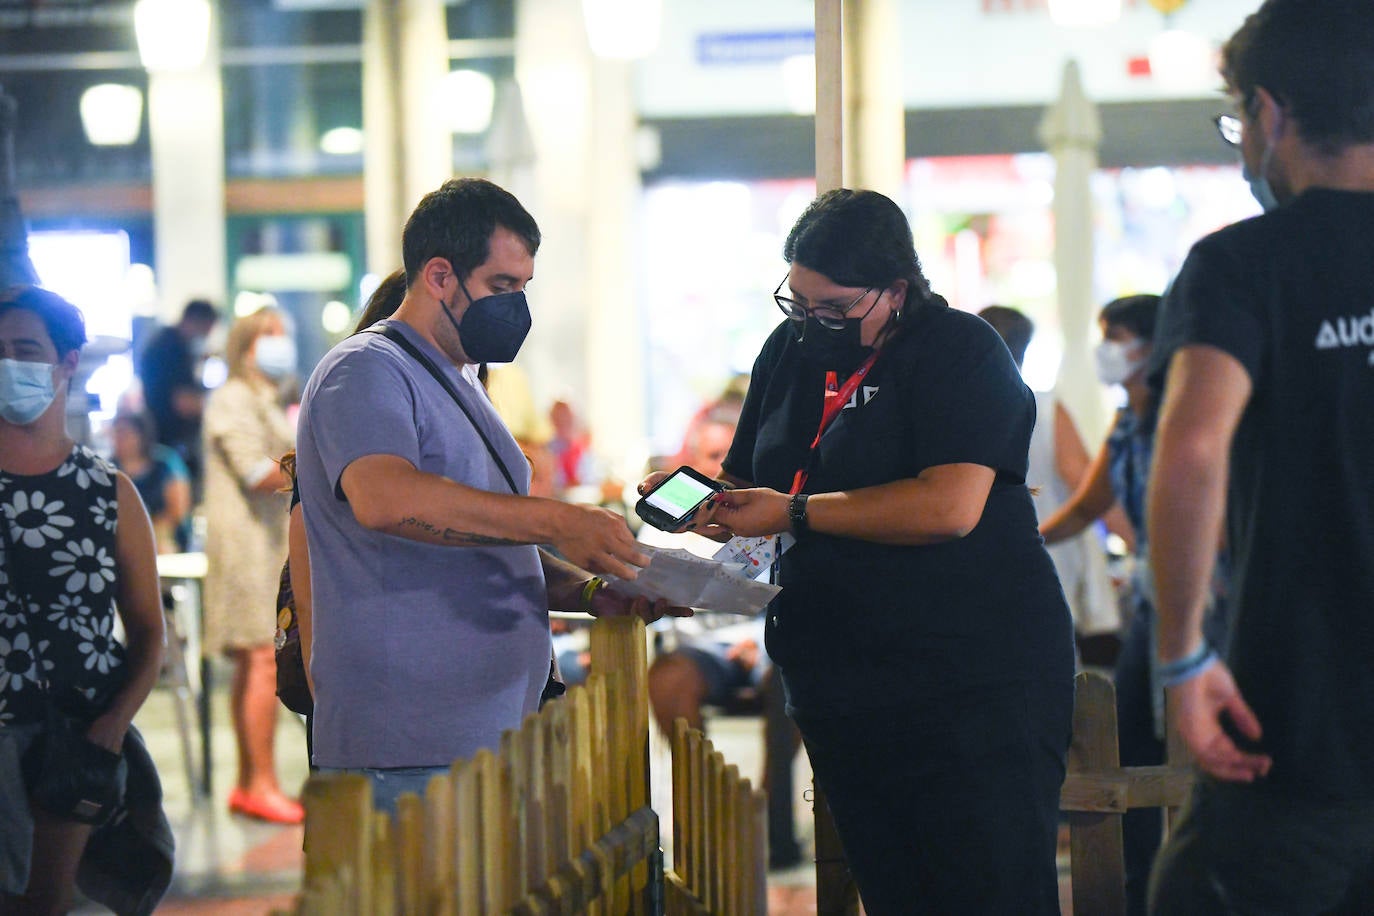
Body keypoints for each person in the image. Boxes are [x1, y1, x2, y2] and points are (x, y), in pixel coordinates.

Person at [668, 189, 1075, 913]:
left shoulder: (960, 350)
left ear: (897, 287)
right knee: (896, 888)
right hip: (839, 676)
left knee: (992, 887)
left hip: (969, 674)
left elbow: (948, 506)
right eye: (799, 302)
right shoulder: (789, 350)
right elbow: (750, 476)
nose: (813, 322)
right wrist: (710, 502)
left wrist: (792, 511)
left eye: (834, 308)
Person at [294, 177, 684, 814]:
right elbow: (386, 498)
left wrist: (590, 590)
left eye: (524, 287)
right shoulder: (364, 370)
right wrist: (557, 520)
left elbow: (485, 545)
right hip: (409, 743)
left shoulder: (463, 381)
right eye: (502, 287)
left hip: (489, 726)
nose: (516, 306)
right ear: (440, 276)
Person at [1146, 2, 1374, 911]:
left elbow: (1193, 445)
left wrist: (1180, 657)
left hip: (1285, 728)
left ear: (1272, 113)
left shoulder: (1243, 264)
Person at [0, 287, 167, 913]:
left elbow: (148, 633)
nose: (9, 362)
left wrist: (110, 726)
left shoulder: (108, 492)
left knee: (48, 904)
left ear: (67, 363)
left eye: (25, 350)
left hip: (71, 743)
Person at [202, 306, 300, 824]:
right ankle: (260, 782)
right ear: (245, 344)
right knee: (262, 657)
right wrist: (318, 460)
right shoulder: (232, 398)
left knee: (254, 661)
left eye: (284, 335)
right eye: (269, 335)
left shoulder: (270, 400)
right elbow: (254, 471)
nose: (279, 343)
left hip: (266, 545)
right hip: (246, 550)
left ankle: (250, 781)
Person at [978, 305, 1121, 660]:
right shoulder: (1043, 407)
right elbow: (1087, 485)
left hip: (982, 565)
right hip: (1047, 562)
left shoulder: (958, 408)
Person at [135, 299, 218, 496]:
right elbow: (183, 402)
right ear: (196, 321)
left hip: (168, 440)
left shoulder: (170, 343)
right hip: (168, 442)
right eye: (207, 329)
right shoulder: (170, 348)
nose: (207, 336)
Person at [109, 410, 192, 554]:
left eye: (125, 434)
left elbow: (178, 511)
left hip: (163, 537)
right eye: (116, 434)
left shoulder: (165, 463)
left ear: (141, 435)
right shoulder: (108, 469)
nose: (119, 439)